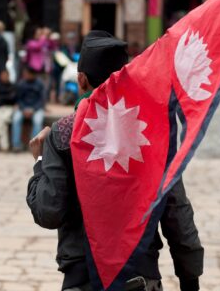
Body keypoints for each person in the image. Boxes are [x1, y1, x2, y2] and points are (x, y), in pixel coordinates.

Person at [26, 30, 203, 291]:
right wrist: (190, 279)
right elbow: (177, 211)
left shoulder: (63, 135)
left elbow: (48, 212)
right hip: (140, 275)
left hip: (82, 278)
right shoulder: (151, 134)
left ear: (81, 80)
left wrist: (40, 159)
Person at [12, 67, 45, 152]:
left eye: (27, 73)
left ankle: (33, 145)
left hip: (36, 108)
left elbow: (42, 100)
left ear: (33, 74)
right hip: (23, 108)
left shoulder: (40, 84)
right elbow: (18, 99)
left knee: (37, 121)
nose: (25, 75)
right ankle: (16, 145)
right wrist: (23, 109)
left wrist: (33, 109)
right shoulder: (21, 83)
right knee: (16, 119)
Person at [0, 70, 17, 151]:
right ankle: (4, 147)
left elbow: (13, 98)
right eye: (2, 75)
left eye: (6, 75)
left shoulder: (12, 86)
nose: (4, 77)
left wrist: (2, 98)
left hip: (9, 108)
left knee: (2, 119)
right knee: (3, 123)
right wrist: (6, 98)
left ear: (9, 76)